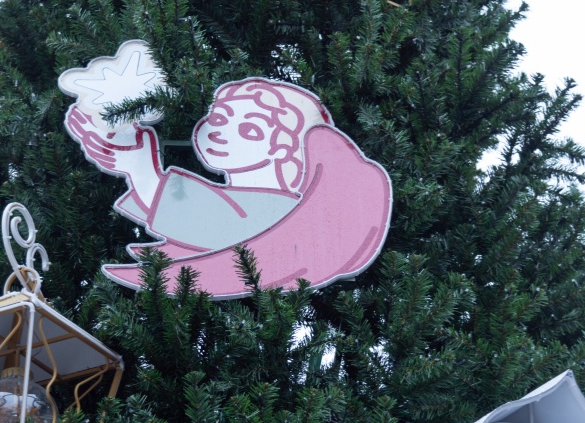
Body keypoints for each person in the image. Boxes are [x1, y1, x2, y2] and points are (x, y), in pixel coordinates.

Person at [65, 78, 392, 298]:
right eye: (220, 120)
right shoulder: (237, 202)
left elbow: (221, 225)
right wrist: (138, 171)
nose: (222, 132)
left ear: (281, 149)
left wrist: (143, 172)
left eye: (249, 130)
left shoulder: (282, 211)